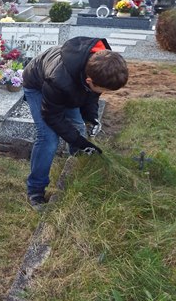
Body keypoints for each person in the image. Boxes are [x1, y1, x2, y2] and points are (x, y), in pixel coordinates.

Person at [21, 36, 129, 211]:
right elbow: (52, 117)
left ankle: (79, 166)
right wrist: (80, 142)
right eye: (104, 90)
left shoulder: (101, 64)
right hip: (37, 84)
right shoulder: (59, 80)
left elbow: (92, 95)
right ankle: (35, 190)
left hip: (69, 84)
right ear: (89, 81)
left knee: (78, 126)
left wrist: (92, 118)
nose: (104, 92)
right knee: (48, 138)